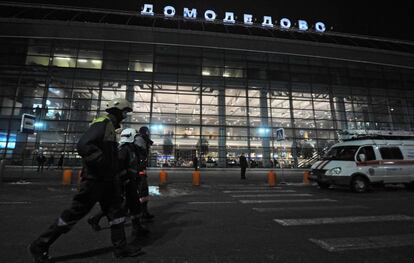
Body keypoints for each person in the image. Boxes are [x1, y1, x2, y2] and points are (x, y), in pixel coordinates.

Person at [29, 98, 141, 263]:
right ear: (117, 111)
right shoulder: (102, 123)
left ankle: (121, 248)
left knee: (116, 213)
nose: (125, 115)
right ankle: (40, 244)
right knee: (73, 214)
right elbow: (83, 145)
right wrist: (103, 163)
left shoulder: (109, 126)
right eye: (124, 112)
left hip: (107, 180)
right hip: (94, 180)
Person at [87, 128, 149, 239]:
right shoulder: (123, 150)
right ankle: (95, 219)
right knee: (122, 205)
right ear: (131, 137)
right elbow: (119, 167)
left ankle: (137, 228)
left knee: (133, 205)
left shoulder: (130, 149)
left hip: (130, 181)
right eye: (135, 137)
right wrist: (125, 180)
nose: (137, 139)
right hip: (125, 182)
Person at [135, 126, 154, 221]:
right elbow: (138, 156)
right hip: (137, 171)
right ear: (145, 132)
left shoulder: (143, 140)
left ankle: (144, 213)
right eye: (148, 132)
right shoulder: (139, 140)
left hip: (140, 170)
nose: (149, 134)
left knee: (143, 193)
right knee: (142, 192)